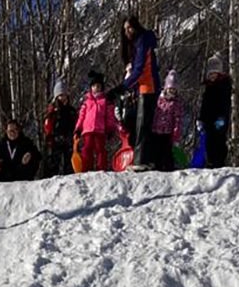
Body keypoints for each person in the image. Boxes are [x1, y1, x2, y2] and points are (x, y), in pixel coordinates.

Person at [118, 15, 160, 171]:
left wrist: (123, 86)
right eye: (125, 29)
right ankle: (146, 159)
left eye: (130, 28)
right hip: (143, 87)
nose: (128, 31)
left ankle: (141, 160)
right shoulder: (136, 44)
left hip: (148, 86)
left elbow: (140, 69)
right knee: (141, 123)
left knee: (143, 124)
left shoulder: (142, 41)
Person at [73, 71, 118, 173]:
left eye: (98, 86)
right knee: (87, 149)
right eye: (94, 86)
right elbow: (81, 116)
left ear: (101, 87)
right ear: (91, 87)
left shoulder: (105, 102)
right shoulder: (87, 101)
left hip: (99, 130)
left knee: (100, 150)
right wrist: (78, 129)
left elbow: (110, 117)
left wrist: (110, 128)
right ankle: (85, 168)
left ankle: (101, 168)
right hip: (87, 130)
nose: (96, 88)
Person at [198, 55, 233, 169]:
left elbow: (225, 104)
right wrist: (201, 118)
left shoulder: (223, 86)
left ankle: (219, 161)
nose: (212, 76)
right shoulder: (208, 87)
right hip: (208, 119)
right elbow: (204, 105)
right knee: (209, 140)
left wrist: (223, 117)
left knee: (219, 140)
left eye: (215, 73)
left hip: (220, 118)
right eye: (210, 74)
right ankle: (211, 161)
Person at [42, 82, 78, 178]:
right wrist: (49, 136)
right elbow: (47, 125)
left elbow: (76, 123)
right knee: (53, 163)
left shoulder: (71, 110)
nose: (63, 97)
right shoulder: (53, 110)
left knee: (69, 163)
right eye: (60, 95)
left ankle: (70, 179)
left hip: (69, 138)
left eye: (64, 95)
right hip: (55, 139)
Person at [151, 71, 184, 172]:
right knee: (157, 150)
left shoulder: (176, 104)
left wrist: (176, 133)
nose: (171, 92)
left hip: (167, 131)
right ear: (166, 89)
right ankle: (157, 166)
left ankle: (168, 168)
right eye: (170, 89)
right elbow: (155, 113)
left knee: (167, 152)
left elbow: (178, 119)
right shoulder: (159, 100)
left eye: (174, 90)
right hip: (157, 130)